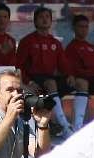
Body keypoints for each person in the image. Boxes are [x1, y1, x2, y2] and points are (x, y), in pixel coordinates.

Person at [16, 7, 80, 135]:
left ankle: (78, 125)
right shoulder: (27, 41)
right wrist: (28, 82)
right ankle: (65, 126)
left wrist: (69, 75)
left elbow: (63, 64)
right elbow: (19, 66)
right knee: (51, 83)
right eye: (41, 17)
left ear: (51, 21)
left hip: (50, 81)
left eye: (47, 17)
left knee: (80, 83)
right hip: (34, 80)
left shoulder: (55, 42)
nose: (44, 19)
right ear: (35, 21)